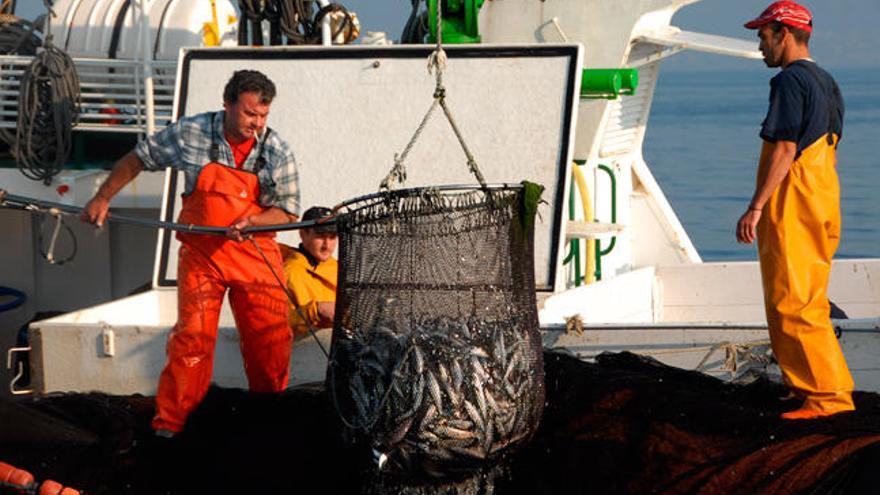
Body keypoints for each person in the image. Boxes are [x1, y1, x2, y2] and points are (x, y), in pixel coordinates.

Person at [81, 70, 300, 435]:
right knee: (192, 340)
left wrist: (256, 219)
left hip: (256, 255)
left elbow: (288, 211)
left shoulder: (277, 149)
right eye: (249, 114)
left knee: (270, 342)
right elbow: (138, 158)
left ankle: (270, 421)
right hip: (203, 256)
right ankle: (171, 426)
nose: (256, 123)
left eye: (263, 116)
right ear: (227, 104)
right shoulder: (190, 132)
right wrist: (103, 197)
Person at [737, 1, 854, 419]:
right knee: (806, 298)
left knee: (792, 302)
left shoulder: (789, 82)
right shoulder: (827, 82)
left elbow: (785, 148)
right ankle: (802, 385)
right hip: (824, 200)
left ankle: (828, 396)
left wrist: (755, 206)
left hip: (795, 203)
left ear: (783, 33)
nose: (759, 45)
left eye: (763, 35)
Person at [280, 206, 338, 337]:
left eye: (332, 237)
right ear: (302, 233)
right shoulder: (289, 272)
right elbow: (277, 324)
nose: (327, 245)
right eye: (320, 236)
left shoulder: (338, 267)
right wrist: (316, 311)